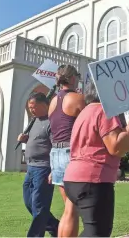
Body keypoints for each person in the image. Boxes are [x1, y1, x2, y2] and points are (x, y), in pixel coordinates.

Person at [63, 81, 129, 237]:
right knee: (98, 233)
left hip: (74, 179)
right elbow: (116, 147)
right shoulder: (104, 111)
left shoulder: (85, 112)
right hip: (93, 180)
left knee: (93, 230)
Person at [48, 65, 85, 237]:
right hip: (70, 154)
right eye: (77, 76)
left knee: (68, 208)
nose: (78, 79)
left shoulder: (53, 101)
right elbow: (90, 125)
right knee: (72, 209)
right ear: (71, 78)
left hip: (56, 153)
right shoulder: (77, 98)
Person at [18, 92, 59, 237]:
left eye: (33, 107)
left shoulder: (51, 122)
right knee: (29, 203)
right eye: (29, 107)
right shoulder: (34, 121)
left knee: (39, 207)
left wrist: (54, 169)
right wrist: (25, 139)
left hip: (44, 168)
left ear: (44, 105)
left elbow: (56, 147)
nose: (31, 110)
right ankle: (55, 227)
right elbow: (37, 140)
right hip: (31, 168)